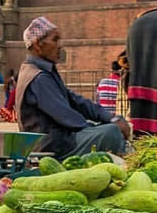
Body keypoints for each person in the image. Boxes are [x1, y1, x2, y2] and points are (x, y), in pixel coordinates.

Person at [16, 17, 129, 158]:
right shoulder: (38, 77)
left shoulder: (44, 71)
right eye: (55, 40)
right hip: (54, 146)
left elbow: (76, 101)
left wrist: (110, 118)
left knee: (111, 127)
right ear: (38, 45)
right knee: (110, 132)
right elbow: (66, 116)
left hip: (64, 140)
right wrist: (103, 127)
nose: (59, 45)